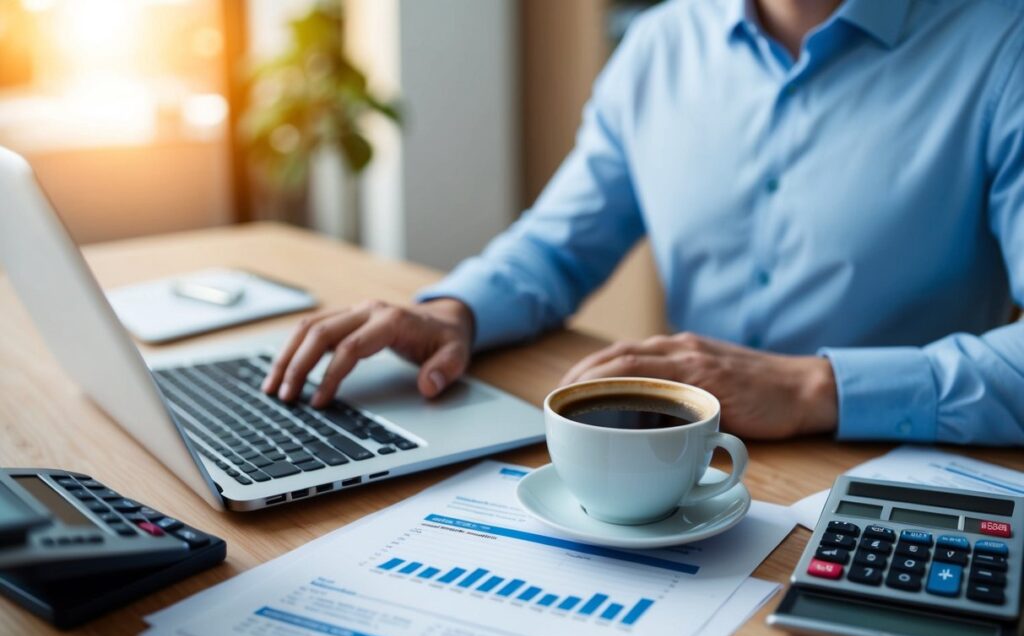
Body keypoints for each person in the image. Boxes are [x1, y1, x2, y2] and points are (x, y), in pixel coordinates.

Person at [262, 0, 1024, 445]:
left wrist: (812, 387)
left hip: (888, 480)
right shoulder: (660, 44)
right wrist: (452, 312)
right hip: (680, 467)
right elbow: (560, 242)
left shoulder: (1003, 46)